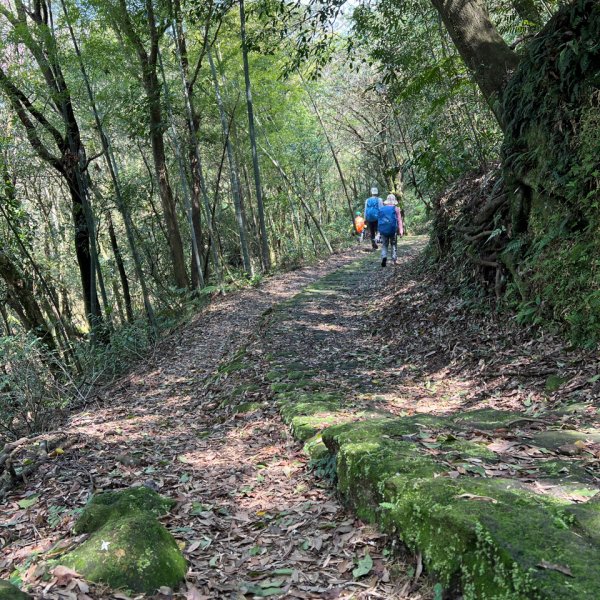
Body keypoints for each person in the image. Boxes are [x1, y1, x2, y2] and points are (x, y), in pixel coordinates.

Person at [378, 194, 404, 267]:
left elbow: (379, 221)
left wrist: (379, 232)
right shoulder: (396, 208)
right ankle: (394, 260)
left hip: (383, 230)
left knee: (384, 245)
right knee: (393, 244)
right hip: (393, 230)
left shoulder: (382, 209)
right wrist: (401, 230)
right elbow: (399, 220)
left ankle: (384, 257)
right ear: (394, 201)